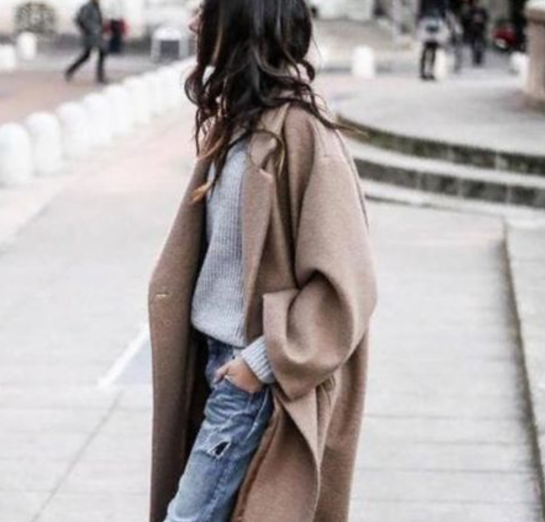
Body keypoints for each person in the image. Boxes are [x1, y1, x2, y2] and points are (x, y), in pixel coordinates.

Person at [146, 0, 378, 521]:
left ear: (242, 20)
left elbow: (348, 282)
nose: (194, 20)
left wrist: (259, 363)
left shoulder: (301, 131)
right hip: (214, 364)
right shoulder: (241, 121)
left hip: (252, 376)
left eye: (207, 8)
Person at [65, 0, 108, 84]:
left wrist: (102, 28)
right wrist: (89, 29)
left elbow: (98, 21)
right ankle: (70, 71)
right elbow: (79, 19)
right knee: (90, 54)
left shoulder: (97, 7)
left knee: (98, 53)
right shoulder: (87, 7)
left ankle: (70, 71)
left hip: (97, 35)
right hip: (90, 36)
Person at [416, 0, 450, 80]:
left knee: (432, 48)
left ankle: (429, 71)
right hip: (428, 21)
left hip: (435, 22)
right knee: (427, 47)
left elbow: (444, 10)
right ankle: (424, 71)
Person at [464, 0, 489, 65]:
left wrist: (482, 19)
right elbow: (466, 19)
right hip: (472, 30)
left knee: (480, 44)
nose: (476, 4)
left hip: (481, 29)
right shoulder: (471, 10)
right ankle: (474, 57)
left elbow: (487, 18)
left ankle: (479, 58)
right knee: (473, 44)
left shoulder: (482, 10)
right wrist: (472, 19)